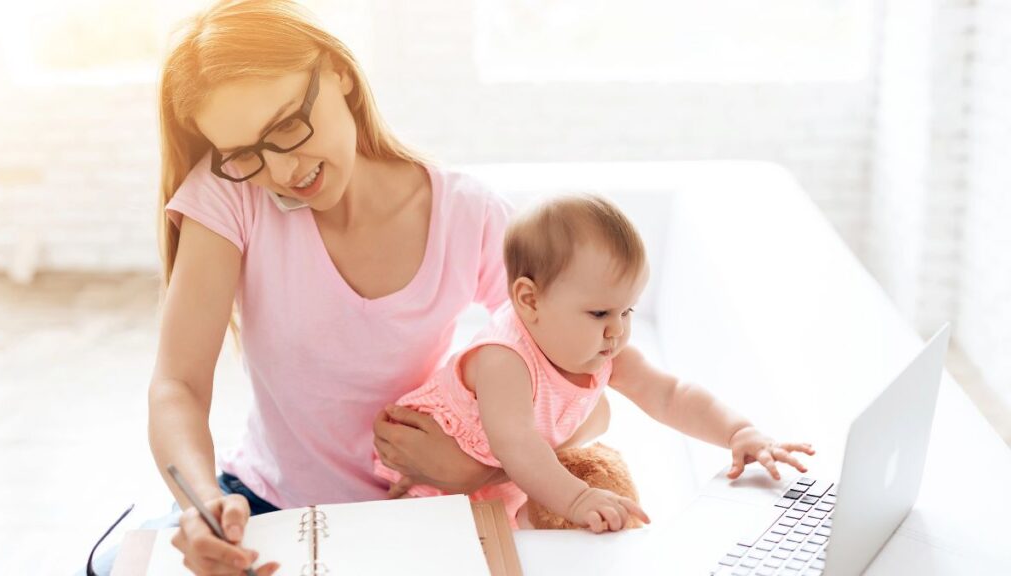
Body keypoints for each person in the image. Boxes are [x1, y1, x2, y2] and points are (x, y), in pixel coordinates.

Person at [79, 1, 610, 575]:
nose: (281, 172)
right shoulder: (229, 196)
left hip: (420, 515)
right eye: (244, 155)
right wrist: (202, 502)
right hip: (266, 507)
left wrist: (485, 470)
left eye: (286, 127)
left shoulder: (467, 216)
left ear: (339, 73)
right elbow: (177, 384)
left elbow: (593, 399)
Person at [373, 194, 816, 532]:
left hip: (508, 482)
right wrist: (579, 498)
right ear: (530, 301)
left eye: (628, 311)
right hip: (428, 484)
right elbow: (519, 446)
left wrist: (738, 431)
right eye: (600, 313)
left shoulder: (604, 349)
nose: (617, 331)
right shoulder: (502, 360)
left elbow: (670, 394)